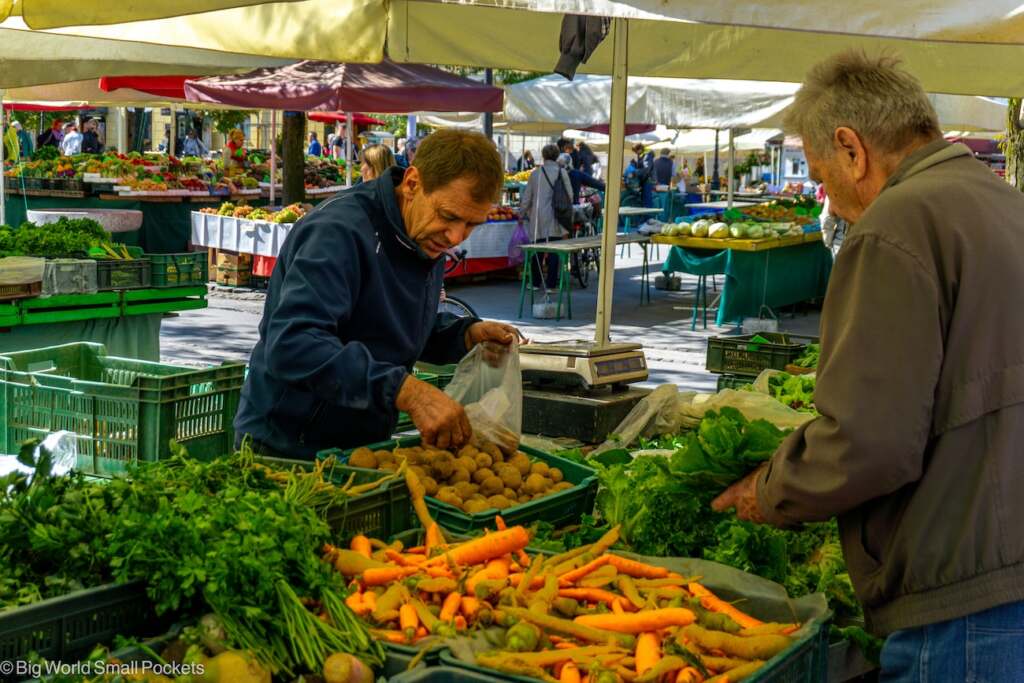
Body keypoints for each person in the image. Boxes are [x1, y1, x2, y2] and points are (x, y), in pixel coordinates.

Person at [711, 50, 1024, 681]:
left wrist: (770, 489)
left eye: (823, 176)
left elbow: (869, 440)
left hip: (959, 591)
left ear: (853, 149)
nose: (831, 199)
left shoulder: (896, 224)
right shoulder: (1002, 202)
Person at [234, 130, 518, 458]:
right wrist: (405, 390)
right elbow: (293, 342)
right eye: (449, 216)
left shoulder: (424, 235)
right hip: (288, 445)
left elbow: (389, 326)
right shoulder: (337, 232)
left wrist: (463, 335)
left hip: (362, 445)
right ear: (412, 183)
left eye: (472, 225)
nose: (456, 236)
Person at [519, 144, 572, 292]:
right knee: (554, 250)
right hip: (556, 216)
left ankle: (535, 283)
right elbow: (570, 196)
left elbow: (527, 197)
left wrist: (522, 214)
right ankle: (551, 285)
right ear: (557, 156)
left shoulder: (535, 174)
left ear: (543, 156)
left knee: (537, 249)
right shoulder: (562, 172)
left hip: (538, 217)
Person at [632, 143, 655, 207]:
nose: (636, 153)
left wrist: (636, 172)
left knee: (647, 200)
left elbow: (647, 169)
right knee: (644, 199)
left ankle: (648, 216)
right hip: (644, 179)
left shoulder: (647, 155)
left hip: (647, 180)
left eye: (636, 151)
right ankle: (645, 215)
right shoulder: (642, 155)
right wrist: (636, 164)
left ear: (640, 149)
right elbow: (642, 166)